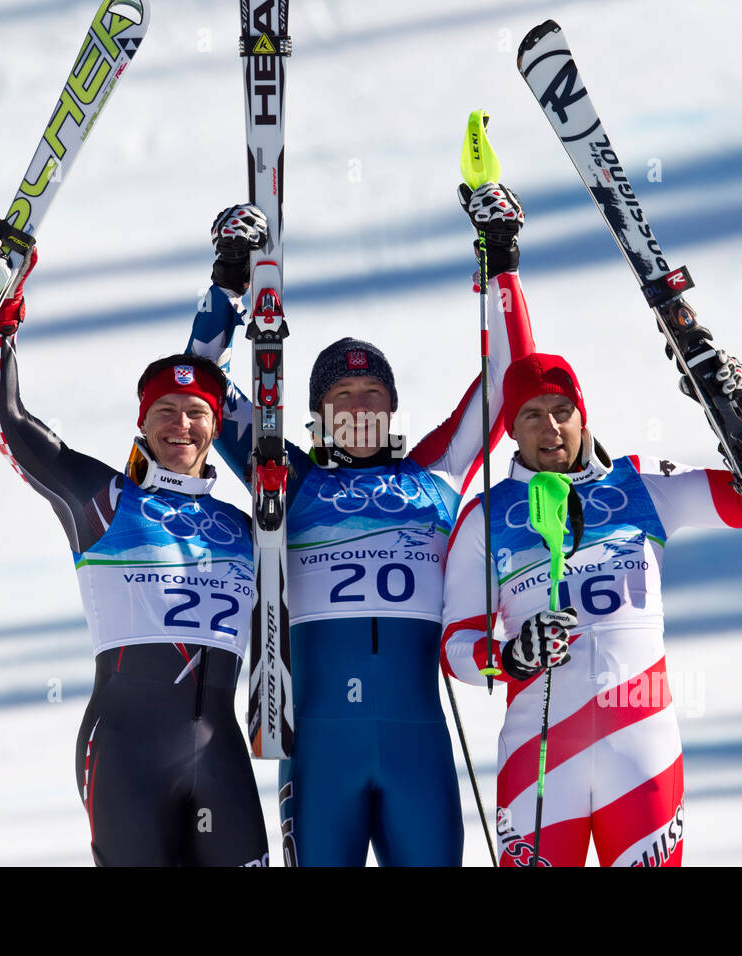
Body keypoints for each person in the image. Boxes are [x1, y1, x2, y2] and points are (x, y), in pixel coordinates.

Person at [185, 184, 536, 866]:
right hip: (320, 751)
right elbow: (196, 385)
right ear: (315, 414)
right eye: (342, 395)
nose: (359, 404)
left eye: (373, 392)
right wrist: (228, 279)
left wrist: (502, 263)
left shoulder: (434, 472)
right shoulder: (285, 477)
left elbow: (512, 376)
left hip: (419, 747)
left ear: (394, 405)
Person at [0, 228, 269, 867]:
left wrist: (230, 286)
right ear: (141, 424)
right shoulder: (105, 500)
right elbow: (6, 422)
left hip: (219, 754)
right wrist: (2, 313)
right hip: (126, 750)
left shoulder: (249, 528)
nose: (179, 424)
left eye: (194, 412)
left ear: (217, 428)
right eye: (163, 411)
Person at [441, 347, 742, 867]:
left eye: (561, 410)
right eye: (531, 415)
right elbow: (455, 648)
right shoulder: (486, 517)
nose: (550, 427)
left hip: (642, 751)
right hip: (540, 757)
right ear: (510, 428)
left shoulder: (640, 484)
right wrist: (510, 657)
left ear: (582, 415)